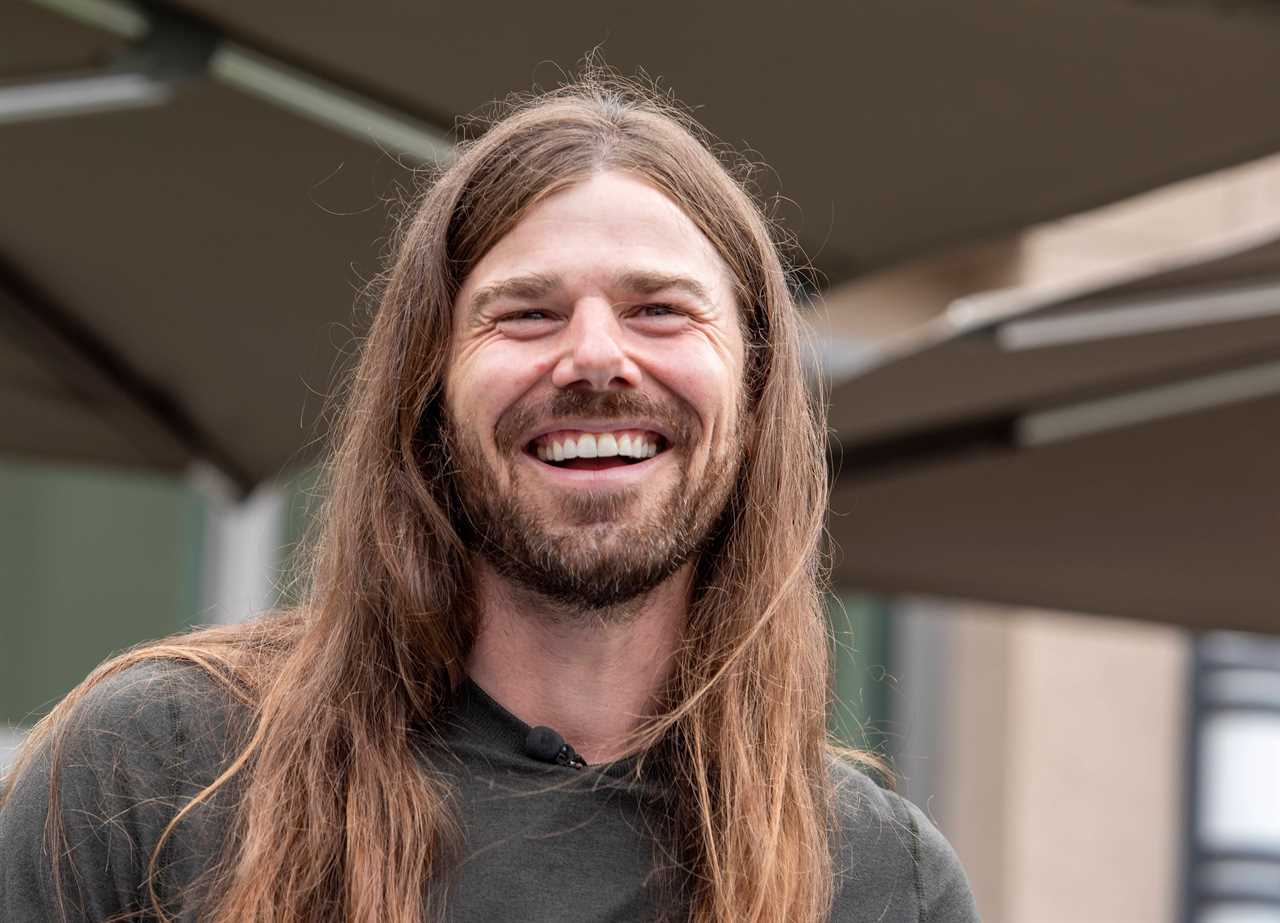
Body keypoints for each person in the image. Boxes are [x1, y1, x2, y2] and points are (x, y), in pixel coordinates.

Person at [0, 71, 979, 923]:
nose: (596, 354)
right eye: (526, 313)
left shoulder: (882, 878)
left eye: (658, 309)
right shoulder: (161, 767)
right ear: (429, 393)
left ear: (757, 390)